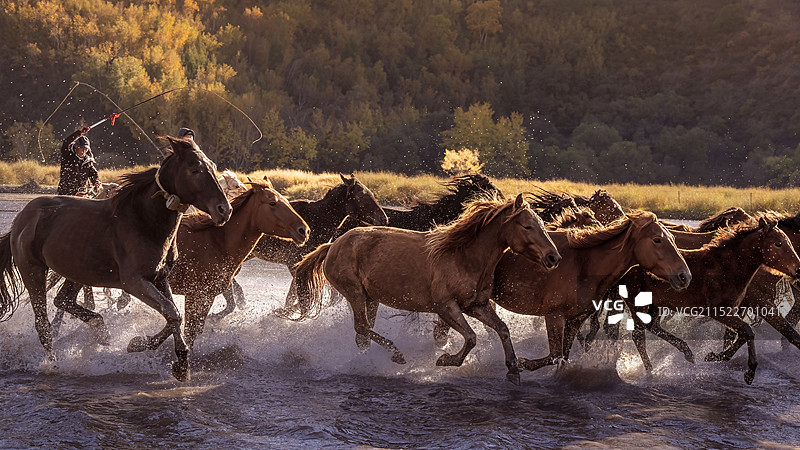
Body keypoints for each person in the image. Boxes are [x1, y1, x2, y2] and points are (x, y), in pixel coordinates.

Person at [57, 126, 101, 196]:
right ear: (76, 146)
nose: (84, 151)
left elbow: (93, 174)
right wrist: (80, 133)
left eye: (86, 149)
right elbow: (66, 142)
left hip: (82, 194)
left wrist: (96, 182)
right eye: (81, 148)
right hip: (66, 194)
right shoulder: (67, 156)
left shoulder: (88, 161)